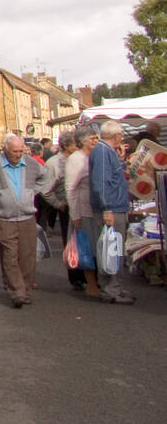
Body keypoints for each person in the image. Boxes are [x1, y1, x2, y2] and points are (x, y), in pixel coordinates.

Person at [0, 133, 45, 308]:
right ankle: (17, 292)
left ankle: (25, 289)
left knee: (27, 256)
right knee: (9, 256)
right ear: (6, 149)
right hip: (4, 216)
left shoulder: (30, 163)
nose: (18, 154)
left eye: (21, 151)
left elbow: (46, 177)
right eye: (15, 151)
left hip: (27, 216)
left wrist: (32, 191)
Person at [88, 119, 135, 305]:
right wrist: (106, 208)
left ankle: (115, 287)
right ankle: (110, 290)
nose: (122, 138)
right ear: (116, 136)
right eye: (121, 135)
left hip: (115, 207)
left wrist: (121, 159)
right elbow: (100, 183)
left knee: (114, 248)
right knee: (111, 249)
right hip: (111, 209)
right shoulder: (101, 152)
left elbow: (111, 178)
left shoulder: (107, 151)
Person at [64, 126, 101, 295]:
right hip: (83, 210)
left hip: (97, 210)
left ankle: (99, 282)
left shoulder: (94, 156)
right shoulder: (75, 159)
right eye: (93, 138)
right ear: (83, 141)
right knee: (87, 249)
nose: (96, 140)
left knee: (98, 248)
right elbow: (70, 188)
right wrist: (75, 215)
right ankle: (91, 284)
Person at [36, 130, 75, 246]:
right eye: (75, 143)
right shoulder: (54, 163)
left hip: (76, 206)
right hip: (66, 206)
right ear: (66, 146)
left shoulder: (76, 159)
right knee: (69, 242)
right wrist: (58, 204)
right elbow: (45, 190)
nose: (78, 146)